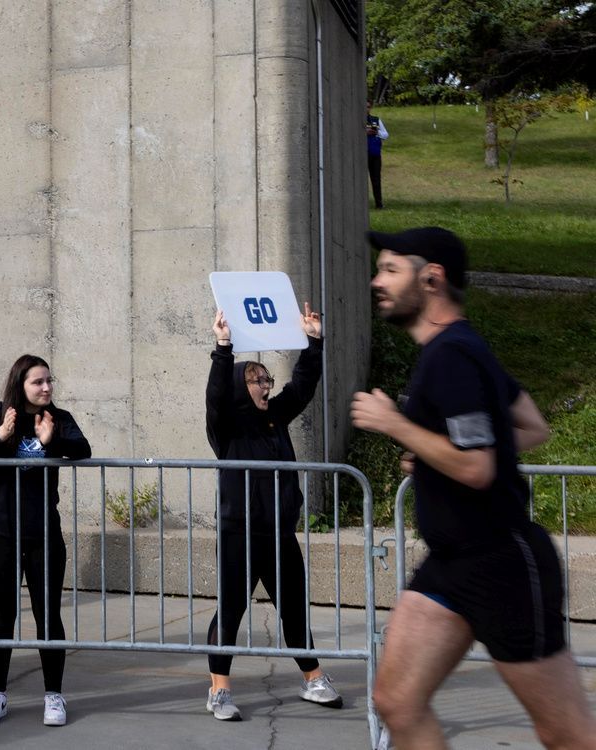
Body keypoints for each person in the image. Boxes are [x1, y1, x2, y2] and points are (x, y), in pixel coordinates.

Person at [351, 226, 596, 749]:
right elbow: (530, 426)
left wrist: (398, 425)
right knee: (397, 700)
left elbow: (479, 467)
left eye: (392, 269)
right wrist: (435, 451)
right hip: (451, 564)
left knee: (568, 736)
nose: (378, 281)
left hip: (501, 564)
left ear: (432, 279)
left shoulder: (452, 356)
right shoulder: (462, 349)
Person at [203, 304, 342, 721]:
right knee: (231, 611)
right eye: (256, 380)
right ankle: (220, 691)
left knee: (294, 607)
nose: (265, 385)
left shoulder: (275, 419)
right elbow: (215, 395)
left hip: (278, 533)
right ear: (238, 387)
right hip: (238, 533)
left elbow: (301, 388)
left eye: (266, 378)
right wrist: (223, 348)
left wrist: (313, 341)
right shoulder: (226, 427)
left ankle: (313, 678)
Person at [0, 354, 92, 727]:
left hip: (44, 535)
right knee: (2, 617)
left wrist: (51, 442)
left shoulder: (58, 417)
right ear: (20, 383)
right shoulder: (0, 412)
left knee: (47, 615)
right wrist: (1, 436)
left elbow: (83, 449)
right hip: (3, 533)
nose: (46, 388)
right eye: (38, 382)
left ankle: (53, 695)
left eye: (49, 381)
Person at [366, 99, 388, 209]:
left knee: (376, 179)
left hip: (374, 154)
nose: (367, 109)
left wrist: (376, 132)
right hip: (362, 155)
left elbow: (385, 134)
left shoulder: (375, 120)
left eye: (368, 107)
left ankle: (379, 203)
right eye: (365, 107)